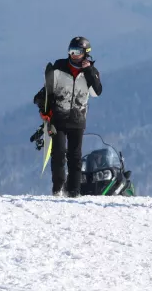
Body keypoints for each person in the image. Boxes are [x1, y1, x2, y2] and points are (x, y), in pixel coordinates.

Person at [33, 36, 103, 197]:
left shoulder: (91, 72)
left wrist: (89, 71)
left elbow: (96, 92)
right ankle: (58, 189)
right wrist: (44, 109)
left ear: (85, 53)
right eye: (71, 51)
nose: (73, 55)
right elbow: (47, 90)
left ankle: (73, 191)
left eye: (77, 52)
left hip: (78, 120)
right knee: (58, 154)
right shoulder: (59, 68)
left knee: (75, 157)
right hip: (57, 118)